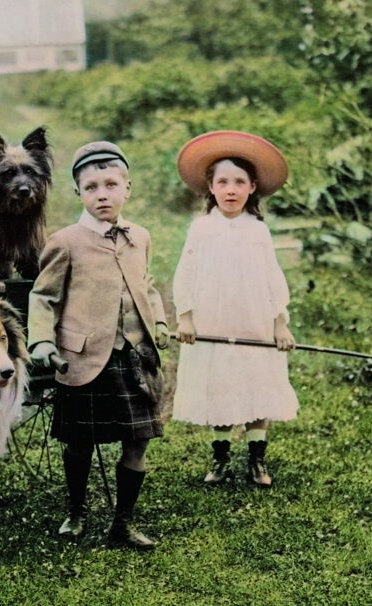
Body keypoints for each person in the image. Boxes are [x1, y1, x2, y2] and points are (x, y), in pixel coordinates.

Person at [28, 141, 170, 551]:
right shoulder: (66, 241)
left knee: (138, 440)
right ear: (78, 194)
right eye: (91, 187)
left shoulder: (139, 236)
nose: (102, 194)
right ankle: (75, 510)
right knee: (80, 441)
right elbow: (43, 297)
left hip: (134, 355)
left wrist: (158, 320)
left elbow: (146, 286)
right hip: (85, 357)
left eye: (111, 184)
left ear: (128, 187)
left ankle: (122, 523)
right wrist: (41, 339)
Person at [171, 130, 299, 487]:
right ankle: (221, 456)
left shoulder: (258, 231)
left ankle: (257, 460)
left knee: (255, 382)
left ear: (252, 187)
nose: (231, 189)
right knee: (221, 384)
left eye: (239, 182)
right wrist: (186, 316)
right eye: (222, 181)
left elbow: (272, 279)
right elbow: (188, 272)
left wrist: (279, 323)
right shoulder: (201, 229)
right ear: (210, 187)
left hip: (253, 321)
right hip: (214, 319)